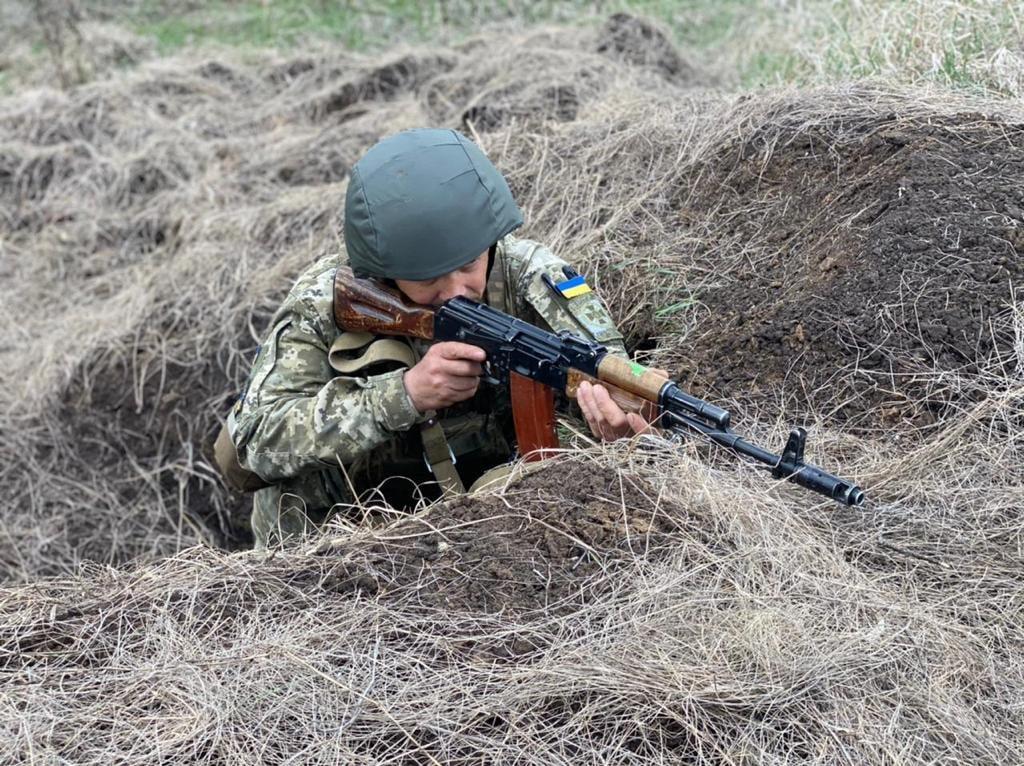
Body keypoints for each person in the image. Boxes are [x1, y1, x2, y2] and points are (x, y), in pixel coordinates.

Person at [228, 128, 652, 547]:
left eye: (469, 264)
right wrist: (403, 395)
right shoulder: (328, 300)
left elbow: (609, 370)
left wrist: (608, 430)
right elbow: (255, 440)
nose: (454, 291)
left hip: (483, 530)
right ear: (383, 268)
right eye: (428, 277)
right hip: (336, 540)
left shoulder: (532, 279)